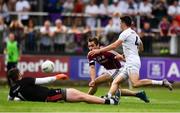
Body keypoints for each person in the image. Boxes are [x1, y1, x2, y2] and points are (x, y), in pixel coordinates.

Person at [89, 16, 172, 98]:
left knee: (135, 83)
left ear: (124, 23)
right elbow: (141, 48)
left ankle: (162, 82)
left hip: (132, 61)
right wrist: (124, 55)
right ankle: (108, 97)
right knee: (115, 82)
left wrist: (99, 50)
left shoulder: (125, 33)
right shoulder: (134, 34)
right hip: (131, 60)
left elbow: (114, 46)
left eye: (120, 23)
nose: (120, 25)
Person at [7, 68, 120, 105]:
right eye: (19, 72)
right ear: (18, 75)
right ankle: (110, 102)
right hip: (50, 95)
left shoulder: (13, 90)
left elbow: (10, 99)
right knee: (82, 96)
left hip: (50, 97)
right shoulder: (26, 80)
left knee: (82, 95)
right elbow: (44, 80)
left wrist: (19, 99)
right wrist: (57, 76)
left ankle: (106, 100)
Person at [87, 37, 149, 103]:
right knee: (116, 90)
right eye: (89, 46)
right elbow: (92, 67)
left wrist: (133, 63)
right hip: (109, 71)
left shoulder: (107, 51)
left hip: (118, 70)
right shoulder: (90, 55)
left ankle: (87, 97)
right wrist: (92, 79)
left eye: (92, 46)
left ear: (98, 45)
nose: (91, 48)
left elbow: (121, 57)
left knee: (96, 82)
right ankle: (139, 94)